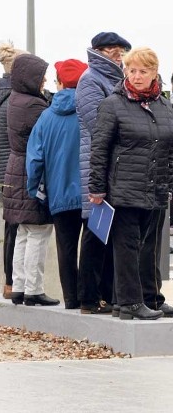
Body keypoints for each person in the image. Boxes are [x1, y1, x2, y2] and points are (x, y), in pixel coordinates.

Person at [89, 47, 173, 320]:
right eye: (132, 70)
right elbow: (99, 149)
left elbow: (169, 150)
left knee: (150, 247)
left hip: (156, 187)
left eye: (143, 71)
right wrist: (97, 188)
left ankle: (151, 298)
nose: (136, 76)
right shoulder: (113, 104)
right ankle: (128, 303)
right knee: (127, 246)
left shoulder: (164, 106)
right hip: (123, 188)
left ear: (154, 73)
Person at [76, 31, 132, 315]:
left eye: (121, 50)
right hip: (97, 165)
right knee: (95, 233)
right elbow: (99, 123)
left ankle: (107, 296)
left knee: (112, 235)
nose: (118, 55)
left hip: (118, 165)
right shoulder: (90, 80)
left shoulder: (119, 80)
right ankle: (88, 297)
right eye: (113, 50)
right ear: (98, 50)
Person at [26, 59, 88, 309]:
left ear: (60, 83)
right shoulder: (92, 112)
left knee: (66, 248)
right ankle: (90, 298)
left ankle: (71, 299)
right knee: (93, 248)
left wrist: (36, 191)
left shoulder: (46, 117)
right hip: (91, 192)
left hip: (59, 194)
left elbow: (35, 160)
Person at [2, 53, 59, 307]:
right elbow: (45, 139)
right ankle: (34, 289)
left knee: (24, 232)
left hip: (15, 168)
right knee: (38, 230)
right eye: (41, 75)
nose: (45, 79)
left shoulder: (15, 99)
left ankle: (20, 285)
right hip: (29, 170)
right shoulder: (34, 105)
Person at [0, 41, 27, 299]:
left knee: (11, 228)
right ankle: (13, 283)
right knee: (17, 229)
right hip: (15, 171)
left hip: (3, 171)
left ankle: (11, 283)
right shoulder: (15, 100)